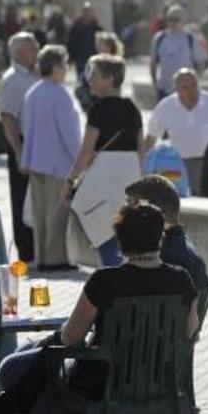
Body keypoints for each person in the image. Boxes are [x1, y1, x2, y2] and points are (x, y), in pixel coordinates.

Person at [0, 202, 199, 414]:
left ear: (120, 239)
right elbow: (189, 333)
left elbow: (70, 338)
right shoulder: (182, 280)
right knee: (28, 366)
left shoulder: (105, 280)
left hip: (102, 382)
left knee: (14, 368)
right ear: (159, 238)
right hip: (156, 381)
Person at [117, 174, 208, 414]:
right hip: (169, 381)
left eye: (130, 209)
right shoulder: (188, 254)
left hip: (137, 378)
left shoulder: (163, 262)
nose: (122, 218)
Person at [63, 54, 145, 267]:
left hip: (105, 177)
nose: (89, 79)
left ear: (110, 79)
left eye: (95, 75)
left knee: (101, 227)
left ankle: (113, 277)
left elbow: (86, 152)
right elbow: (141, 151)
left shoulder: (98, 109)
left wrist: (70, 181)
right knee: (122, 232)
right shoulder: (132, 109)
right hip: (128, 177)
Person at [21, 45, 83, 272]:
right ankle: (56, 260)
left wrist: (25, 159)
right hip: (59, 164)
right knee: (57, 213)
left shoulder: (33, 92)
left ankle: (43, 257)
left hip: (36, 162)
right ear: (56, 66)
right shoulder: (60, 95)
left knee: (40, 214)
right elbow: (70, 134)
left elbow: (26, 129)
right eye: (65, 64)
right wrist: (81, 161)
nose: (66, 69)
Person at [0, 32, 41, 263]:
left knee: (36, 198)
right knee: (22, 197)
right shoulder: (13, 79)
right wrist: (18, 151)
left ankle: (38, 246)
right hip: (22, 142)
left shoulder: (33, 75)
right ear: (19, 52)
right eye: (33, 47)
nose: (37, 50)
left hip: (38, 142)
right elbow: (7, 117)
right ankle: (27, 251)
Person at [143, 69, 208, 196]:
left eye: (194, 85)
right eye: (185, 87)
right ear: (177, 89)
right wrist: (143, 167)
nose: (192, 91)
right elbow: (151, 137)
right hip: (177, 165)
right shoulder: (166, 106)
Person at [150, 5, 207, 101]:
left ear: (183, 21)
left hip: (186, 92)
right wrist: (155, 83)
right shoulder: (159, 38)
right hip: (164, 90)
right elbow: (153, 63)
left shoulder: (190, 39)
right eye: (170, 19)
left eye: (176, 20)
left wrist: (195, 84)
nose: (172, 23)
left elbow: (200, 62)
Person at [65, 2, 102, 86]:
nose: (87, 14)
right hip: (80, 60)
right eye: (86, 11)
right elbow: (71, 44)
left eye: (89, 11)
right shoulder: (76, 28)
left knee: (93, 81)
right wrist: (71, 59)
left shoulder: (97, 29)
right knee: (81, 82)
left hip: (93, 59)